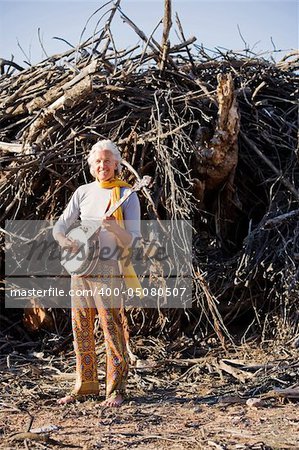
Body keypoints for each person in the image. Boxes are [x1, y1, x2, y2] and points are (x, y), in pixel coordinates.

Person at [53, 139, 142, 407]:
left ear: (116, 164)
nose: (103, 165)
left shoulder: (127, 194)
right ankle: (86, 385)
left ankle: (116, 390)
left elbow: (133, 240)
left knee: (111, 324)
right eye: (98, 161)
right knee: (80, 325)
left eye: (108, 161)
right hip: (79, 267)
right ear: (92, 166)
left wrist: (114, 228)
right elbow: (60, 226)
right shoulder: (82, 192)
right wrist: (65, 241)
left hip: (109, 267)